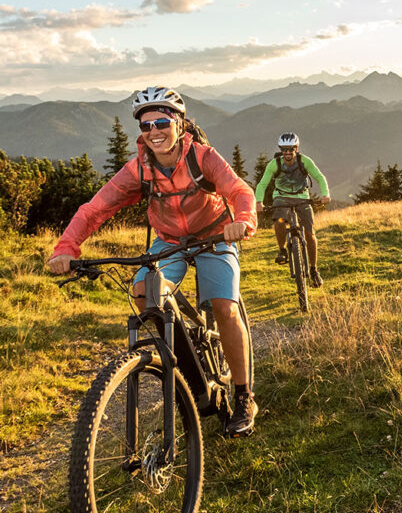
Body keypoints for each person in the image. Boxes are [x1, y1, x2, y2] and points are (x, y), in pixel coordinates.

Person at [48, 86, 260, 436]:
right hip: (169, 241)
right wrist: (66, 249)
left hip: (215, 234)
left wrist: (243, 220)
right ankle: (186, 371)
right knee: (144, 293)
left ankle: (243, 396)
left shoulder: (203, 157)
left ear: (179, 124)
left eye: (161, 122)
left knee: (224, 306)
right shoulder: (138, 169)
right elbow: (95, 209)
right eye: (146, 126)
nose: (154, 132)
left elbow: (239, 190)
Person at [255, 132, 330, 287]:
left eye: (291, 149)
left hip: (302, 197)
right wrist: (258, 202)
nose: (287, 153)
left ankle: (314, 270)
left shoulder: (305, 161)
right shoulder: (274, 164)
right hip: (281, 197)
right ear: (281, 150)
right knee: (280, 220)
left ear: (296, 148)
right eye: (284, 150)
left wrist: (325, 194)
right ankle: (282, 250)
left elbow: (320, 177)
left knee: (310, 234)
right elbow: (262, 184)